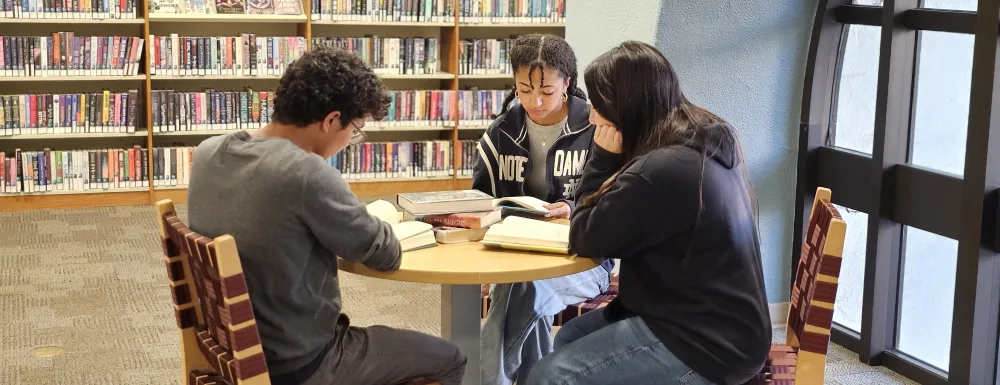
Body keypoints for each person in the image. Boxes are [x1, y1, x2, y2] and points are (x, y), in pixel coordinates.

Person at [187, 47, 467, 385]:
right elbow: (385, 254)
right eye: (355, 130)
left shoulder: (207, 152)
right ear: (332, 120)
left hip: (229, 351)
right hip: (300, 364)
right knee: (451, 359)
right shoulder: (306, 174)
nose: (350, 141)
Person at [524, 41, 771, 385]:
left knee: (549, 376)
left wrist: (602, 157)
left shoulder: (659, 171)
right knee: (568, 338)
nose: (592, 116)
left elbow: (584, 236)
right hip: (715, 323)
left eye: (599, 105)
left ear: (626, 108)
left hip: (707, 345)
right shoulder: (696, 139)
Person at [472, 33, 614, 385]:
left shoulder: (596, 128)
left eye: (546, 91)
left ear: (567, 83)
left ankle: (485, 380)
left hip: (583, 260)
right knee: (522, 292)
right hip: (516, 257)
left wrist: (573, 207)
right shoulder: (501, 132)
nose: (534, 101)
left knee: (524, 289)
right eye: (523, 89)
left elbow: (616, 201)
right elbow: (478, 202)